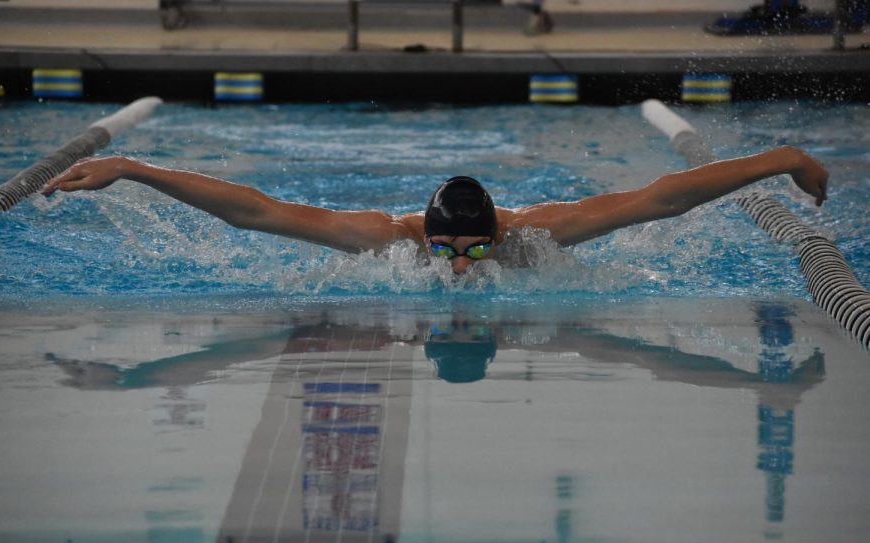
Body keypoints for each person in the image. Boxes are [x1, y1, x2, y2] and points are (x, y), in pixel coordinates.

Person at [41, 145, 828, 275]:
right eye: (450, 251)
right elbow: (255, 212)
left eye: (473, 253)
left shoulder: (532, 235)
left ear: (497, 233)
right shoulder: (392, 241)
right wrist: (133, 169)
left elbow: (659, 200)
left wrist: (783, 159)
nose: (456, 266)